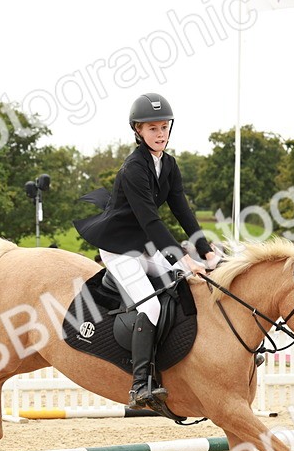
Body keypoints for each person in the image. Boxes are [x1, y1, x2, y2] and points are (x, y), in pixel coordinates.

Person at [74, 92, 218, 409]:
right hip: (119, 248)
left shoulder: (168, 165)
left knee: (185, 287)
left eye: (164, 127)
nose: (160, 133)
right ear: (138, 130)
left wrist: (207, 253)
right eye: (152, 128)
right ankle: (140, 383)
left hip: (143, 245)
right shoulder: (133, 170)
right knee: (150, 306)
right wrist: (183, 258)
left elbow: (183, 212)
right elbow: (152, 221)